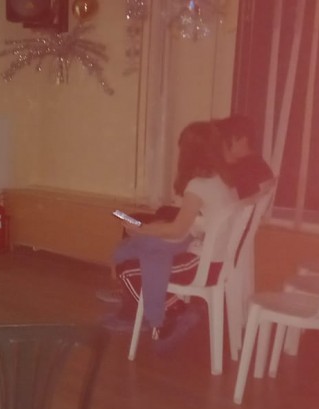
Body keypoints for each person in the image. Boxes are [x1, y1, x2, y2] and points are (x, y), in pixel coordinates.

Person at [103, 121, 239, 337]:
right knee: (150, 248)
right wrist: (153, 228)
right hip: (215, 261)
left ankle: (165, 314)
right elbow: (196, 223)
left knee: (127, 269)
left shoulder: (198, 185)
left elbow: (177, 231)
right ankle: (168, 308)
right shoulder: (222, 180)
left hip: (201, 265)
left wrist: (143, 229)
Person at [217, 114, 274, 199]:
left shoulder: (247, 171)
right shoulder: (258, 164)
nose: (223, 144)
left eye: (227, 138)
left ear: (243, 139)